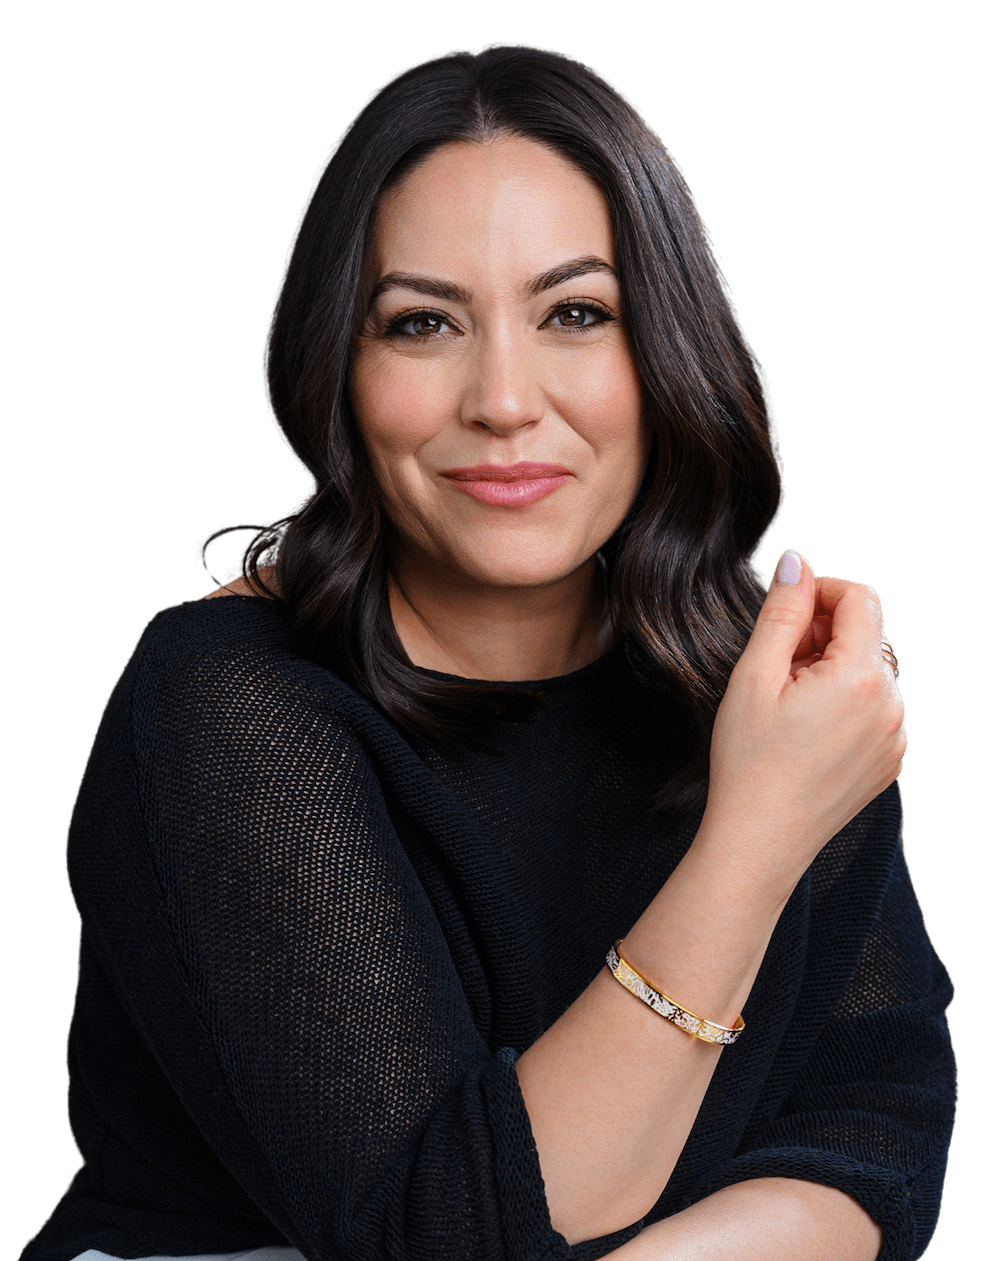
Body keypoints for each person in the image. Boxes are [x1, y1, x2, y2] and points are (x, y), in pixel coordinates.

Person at [24, 44, 955, 1261]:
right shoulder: (226, 700)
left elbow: (879, 1126)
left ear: (666, 344)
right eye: (422, 324)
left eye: (576, 312)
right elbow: (439, 1239)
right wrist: (758, 833)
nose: (503, 398)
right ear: (341, 372)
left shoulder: (760, 673)